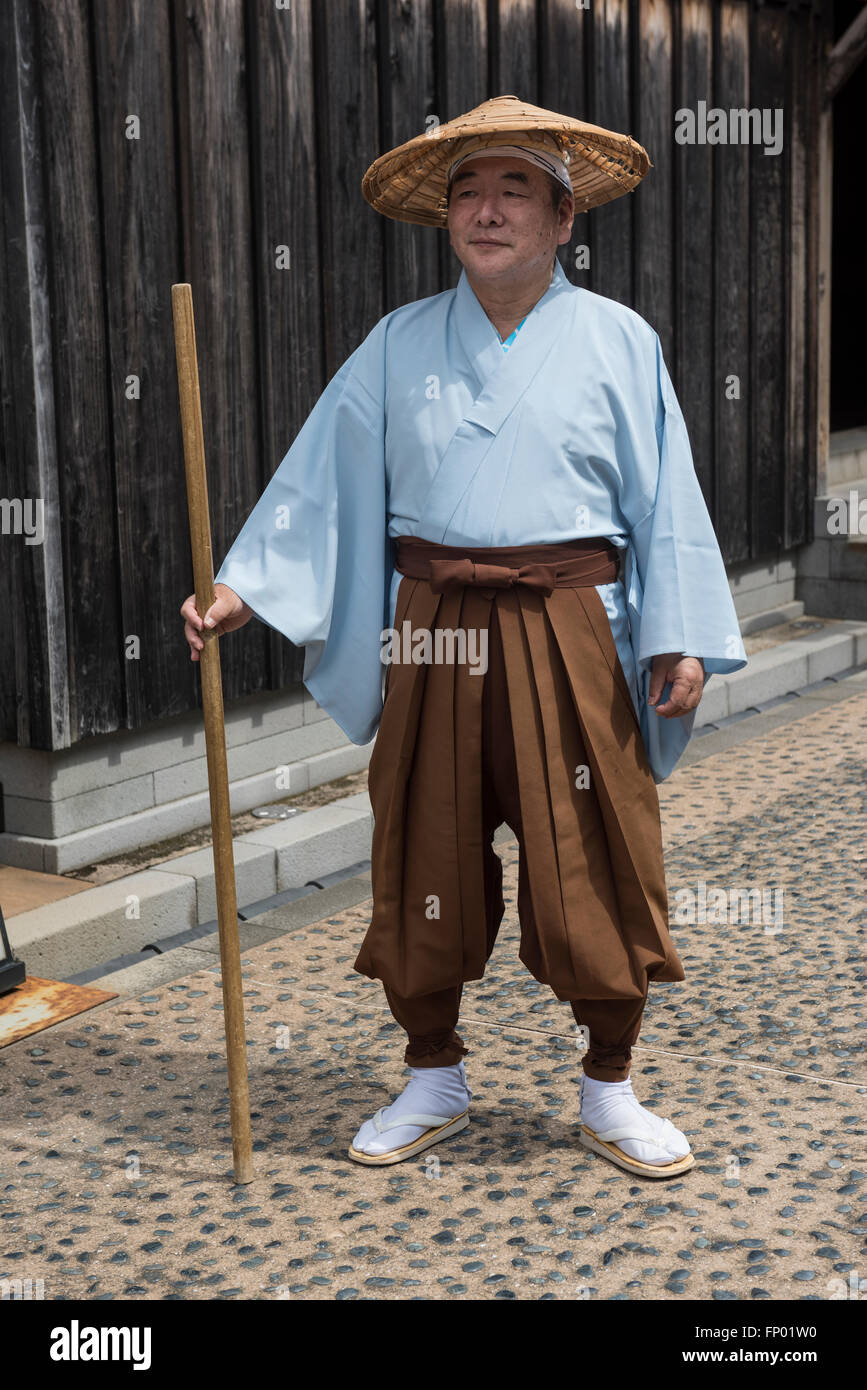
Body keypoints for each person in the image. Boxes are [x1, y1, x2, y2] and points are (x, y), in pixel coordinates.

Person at [180, 96, 747, 1178]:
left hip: (572, 623)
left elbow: (666, 498)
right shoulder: (397, 344)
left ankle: (610, 1084)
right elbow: (321, 487)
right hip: (431, 629)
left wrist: (678, 638)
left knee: (596, 849)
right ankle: (432, 1070)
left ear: (564, 217)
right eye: (469, 192)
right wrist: (240, 587)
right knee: (423, 845)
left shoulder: (619, 340)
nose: (487, 211)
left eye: (514, 189)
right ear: (449, 219)